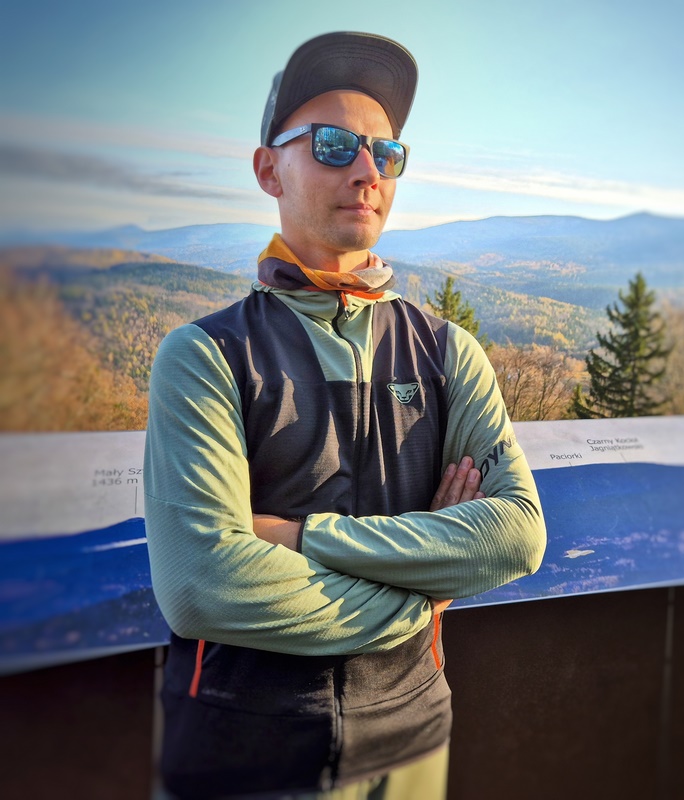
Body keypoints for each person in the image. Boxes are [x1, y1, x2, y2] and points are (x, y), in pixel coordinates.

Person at [144, 31, 546, 799]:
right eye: (333, 145)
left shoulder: (446, 352)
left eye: (386, 153)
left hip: (414, 739)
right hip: (242, 760)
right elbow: (202, 585)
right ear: (269, 169)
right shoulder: (205, 356)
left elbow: (517, 535)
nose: (367, 172)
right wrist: (423, 588)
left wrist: (298, 538)